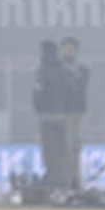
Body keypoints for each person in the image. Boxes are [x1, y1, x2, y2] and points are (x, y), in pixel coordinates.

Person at [32, 40, 70, 191]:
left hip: (46, 115)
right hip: (61, 116)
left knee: (49, 149)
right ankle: (62, 178)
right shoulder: (63, 70)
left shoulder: (42, 70)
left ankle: (52, 177)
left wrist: (38, 109)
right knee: (60, 149)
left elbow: (37, 93)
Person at [57, 37, 90, 192]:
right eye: (66, 48)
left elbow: (81, 87)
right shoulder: (56, 69)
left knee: (75, 147)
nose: (69, 51)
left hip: (76, 113)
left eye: (72, 49)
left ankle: (75, 180)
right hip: (59, 113)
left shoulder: (82, 69)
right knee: (62, 148)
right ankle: (63, 181)